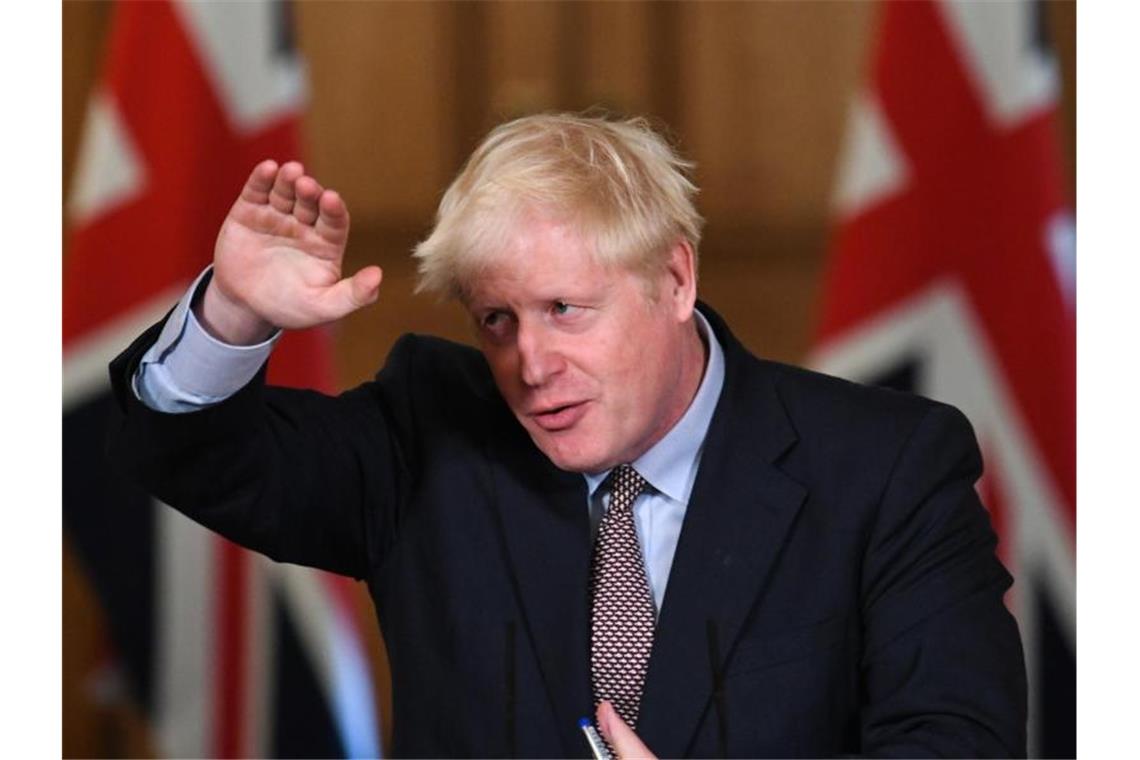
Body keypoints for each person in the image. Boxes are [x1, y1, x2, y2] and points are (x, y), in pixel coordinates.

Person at [107, 113, 1026, 757]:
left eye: (565, 309)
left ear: (673, 280)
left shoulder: (885, 465)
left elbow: (958, 743)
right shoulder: (430, 434)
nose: (532, 363)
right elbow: (200, 457)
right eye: (497, 320)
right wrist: (232, 315)